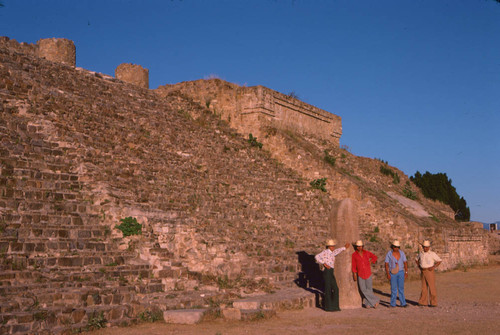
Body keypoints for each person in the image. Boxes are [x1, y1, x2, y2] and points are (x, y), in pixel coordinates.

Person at [315, 239, 350, 311]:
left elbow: (337, 251)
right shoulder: (325, 252)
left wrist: (344, 248)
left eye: (333, 246)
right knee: (328, 288)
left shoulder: (332, 252)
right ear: (329, 246)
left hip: (331, 271)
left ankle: (335, 306)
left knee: (335, 288)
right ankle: (328, 307)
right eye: (332, 246)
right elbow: (316, 257)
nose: (333, 247)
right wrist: (324, 263)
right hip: (327, 271)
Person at [351, 240, 380, 308]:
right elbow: (354, 265)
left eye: (361, 246)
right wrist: (354, 274)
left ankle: (368, 304)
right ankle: (376, 300)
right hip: (360, 274)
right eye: (358, 246)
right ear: (356, 247)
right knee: (363, 289)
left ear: (363, 246)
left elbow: (374, 257)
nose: (359, 248)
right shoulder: (354, 255)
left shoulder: (367, 253)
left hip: (368, 273)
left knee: (369, 289)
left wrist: (371, 261)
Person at [415, 240, 442, 307]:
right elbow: (416, 259)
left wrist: (434, 267)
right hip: (423, 271)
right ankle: (423, 302)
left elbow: (439, 260)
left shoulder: (432, 254)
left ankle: (433, 302)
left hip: (429, 271)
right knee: (424, 287)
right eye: (424, 247)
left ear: (429, 247)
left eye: (427, 247)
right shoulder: (421, 253)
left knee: (431, 287)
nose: (425, 248)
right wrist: (419, 266)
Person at [384, 240, 408, 308]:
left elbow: (405, 262)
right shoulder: (389, 254)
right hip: (393, 273)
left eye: (397, 247)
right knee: (393, 289)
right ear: (392, 247)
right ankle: (392, 304)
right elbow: (386, 264)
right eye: (395, 247)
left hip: (401, 272)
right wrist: (388, 273)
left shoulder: (402, 253)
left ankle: (403, 303)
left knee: (401, 288)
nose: (396, 248)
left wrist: (406, 272)